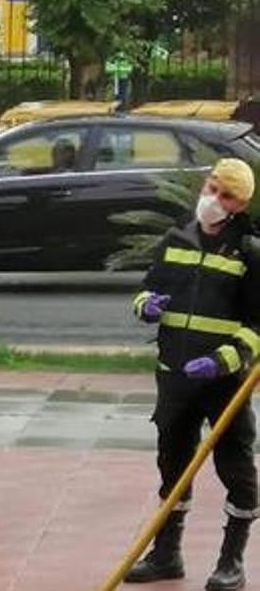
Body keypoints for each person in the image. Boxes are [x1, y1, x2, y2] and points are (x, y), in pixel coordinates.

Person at [125, 158, 260, 590]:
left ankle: (231, 563)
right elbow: (148, 285)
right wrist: (145, 305)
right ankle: (167, 555)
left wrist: (225, 359)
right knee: (172, 466)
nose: (215, 200)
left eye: (226, 196)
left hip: (222, 384)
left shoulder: (250, 252)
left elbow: (257, 326)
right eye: (213, 187)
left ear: (240, 205)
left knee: (236, 469)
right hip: (175, 378)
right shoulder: (175, 237)